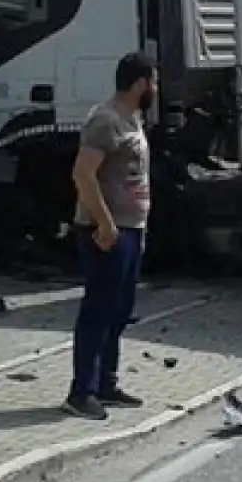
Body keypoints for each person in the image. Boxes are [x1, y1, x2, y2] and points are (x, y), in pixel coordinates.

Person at [65, 53, 158, 419]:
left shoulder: (133, 118)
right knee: (98, 310)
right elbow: (83, 174)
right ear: (139, 84)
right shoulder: (105, 120)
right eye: (153, 81)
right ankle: (81, 391)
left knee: (120, 311)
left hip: (132, 228)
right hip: (106, 232)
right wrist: (104, 223)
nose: (156, 89)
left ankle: (106, 382)